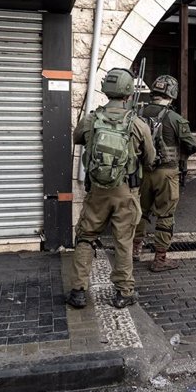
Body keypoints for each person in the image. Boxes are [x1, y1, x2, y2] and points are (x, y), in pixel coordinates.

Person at [66, 68, 156, 309]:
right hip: (127, 191)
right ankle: (123, 292)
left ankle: (77, 291)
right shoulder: (138, 124)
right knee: (123, 241)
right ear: (128, 92)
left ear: (107, 90)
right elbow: (150, 159)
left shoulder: (92, 119)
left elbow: (76, 138)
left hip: (97, 191)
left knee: (86, 237)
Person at [133, 75, 196, 271]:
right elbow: (193, 145)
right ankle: (160, 259)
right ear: (172, 94)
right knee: (165, 215)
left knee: (140, 212)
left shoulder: (138, 114)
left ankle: (135, 250)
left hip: (142, 172)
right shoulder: (176, 119)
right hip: (167, 173)